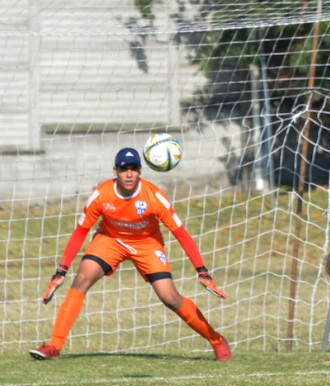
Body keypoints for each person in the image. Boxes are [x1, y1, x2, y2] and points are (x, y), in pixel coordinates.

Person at [30, 147, 231, 361]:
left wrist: (202, 271)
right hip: (110, 240)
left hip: (147, 243)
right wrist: (61, 269)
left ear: (140, 171)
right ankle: (54, 347)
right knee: (82, 279)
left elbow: (181, 233)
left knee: (169, 297)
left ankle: (217, 341)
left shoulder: (154, 196)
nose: (129, 174)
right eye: (124, 169)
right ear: (115, 170)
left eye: (134, 169)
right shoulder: (101, 194)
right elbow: (81, 231)